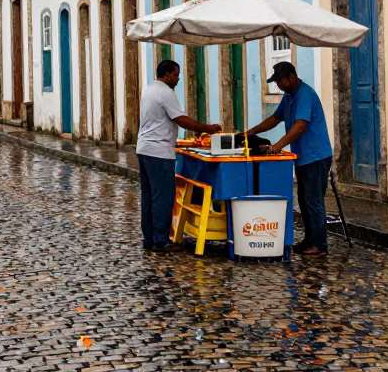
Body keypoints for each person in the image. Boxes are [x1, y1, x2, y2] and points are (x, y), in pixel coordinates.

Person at [242, 61, 333, 256]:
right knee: (304, 198)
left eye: (279, 81)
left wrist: (277, 146)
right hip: (302, 156)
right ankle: (310, 240)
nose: (278, 85)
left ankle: (320, 244)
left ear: (291, 77)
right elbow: (275, 119)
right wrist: (251, 132)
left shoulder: (305, 95)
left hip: (315, 156)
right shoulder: (289, 97)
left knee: (313, 200)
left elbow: (300, 126)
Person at [137, 59, 222, 253]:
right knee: (163, 196)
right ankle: (161, 240)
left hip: (144, 148)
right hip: (159, 151)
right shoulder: (166, 93)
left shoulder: (148, 90)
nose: (178, 78)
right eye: (176, 74)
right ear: (167, 74)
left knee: (149, 196)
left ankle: (148, 238)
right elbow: (181, 120)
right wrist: (208, 128)